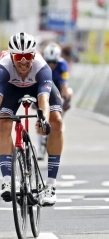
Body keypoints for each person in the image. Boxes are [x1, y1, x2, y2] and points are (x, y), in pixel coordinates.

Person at [0, 32, 63, 206]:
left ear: (33, 55)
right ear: (12, 56)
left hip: (37, 87)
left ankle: (50, 186)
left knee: (56, 120)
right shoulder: (3, 67)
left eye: (27, 56)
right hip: (11, 88)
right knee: (3, 123)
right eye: (19, 56)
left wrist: (43, 118)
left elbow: (44, 99)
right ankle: (7, 179)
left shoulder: (42, 68)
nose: (23, 61)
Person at [36, 42, 73, 160]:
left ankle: (61, 118)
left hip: (57, 86)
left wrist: (66, 98)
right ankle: (39, 148)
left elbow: (64, 84)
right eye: (49, 62)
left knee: (69, 93)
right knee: (40, 117)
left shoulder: (63, 65)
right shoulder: (41, 63)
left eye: (54, 62)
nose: (51, 65)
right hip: (43, 87)